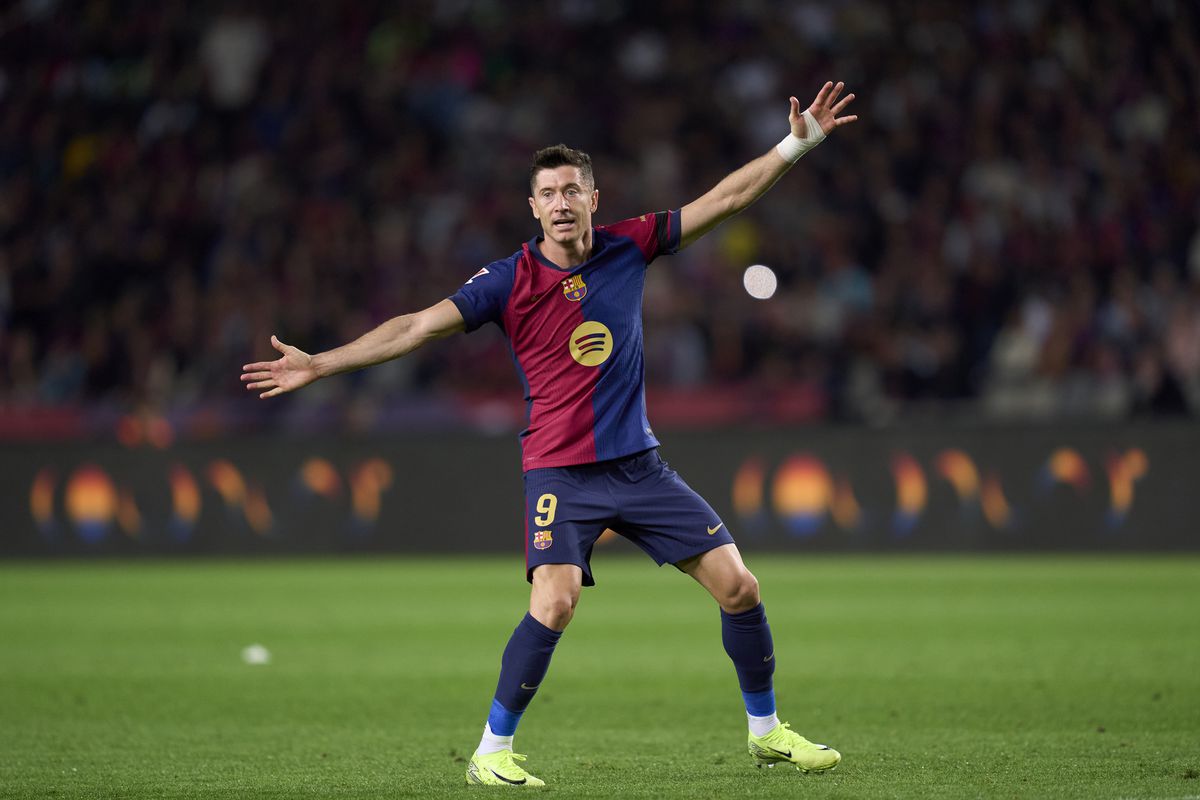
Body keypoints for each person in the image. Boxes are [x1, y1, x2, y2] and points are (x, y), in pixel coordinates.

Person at [241, 81, 857, 787]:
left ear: (594, 198)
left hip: (641, 467)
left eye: (572, 190)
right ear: (532, 208)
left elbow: (726, 199)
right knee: (556, 601)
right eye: (548, 194)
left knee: (741, 588)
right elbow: (414, 326)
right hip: (561, 473)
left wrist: (796, 143)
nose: (561, 203)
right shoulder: (507, 281)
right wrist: (322, 362)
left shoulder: (630, 245)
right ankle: (491, 751)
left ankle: (766, 731)